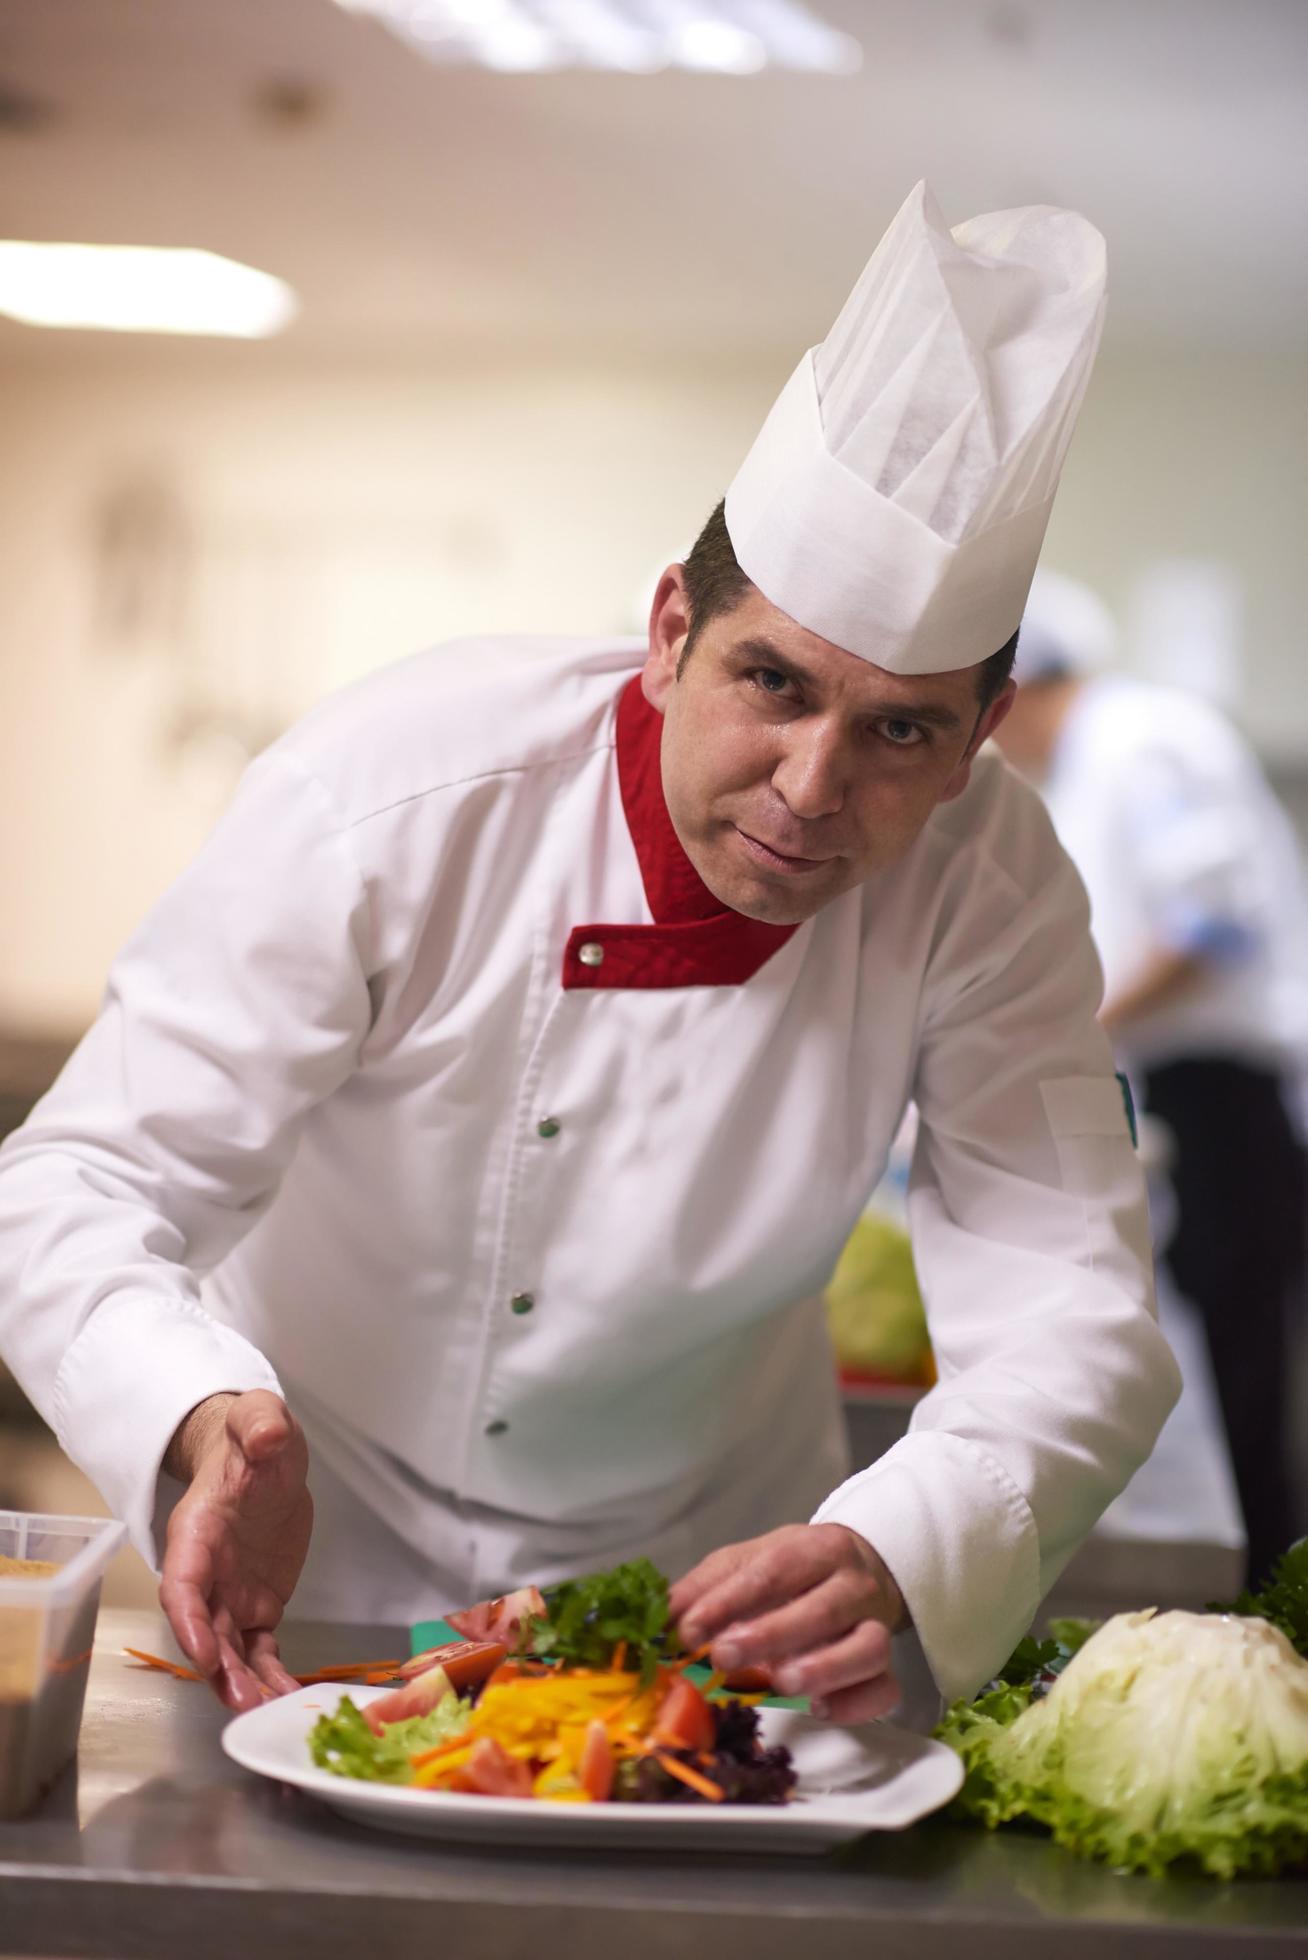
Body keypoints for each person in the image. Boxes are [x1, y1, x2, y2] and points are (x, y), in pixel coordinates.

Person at [0, 183, 1179, 1721]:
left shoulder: (992, 881)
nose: (814, 788)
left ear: (980, 738)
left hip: (706, 1612)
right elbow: (74, 1186)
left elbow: (1071, 1304)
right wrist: (198, 1410)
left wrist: (900, 1541)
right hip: (310, 1576)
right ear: (671, 628)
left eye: (902, 727)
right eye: (774, 682)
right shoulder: (393, 793)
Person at [995, 571, 1308, 1585]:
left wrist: (1075, 1031)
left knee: (1241, 1360)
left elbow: (1207, 924)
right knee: (1218, 1353)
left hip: (1222, 1088)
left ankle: (1266, 1593)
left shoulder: (1143, 737)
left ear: (1023, 684)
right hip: (1178, 1083)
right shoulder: (1090, 760)